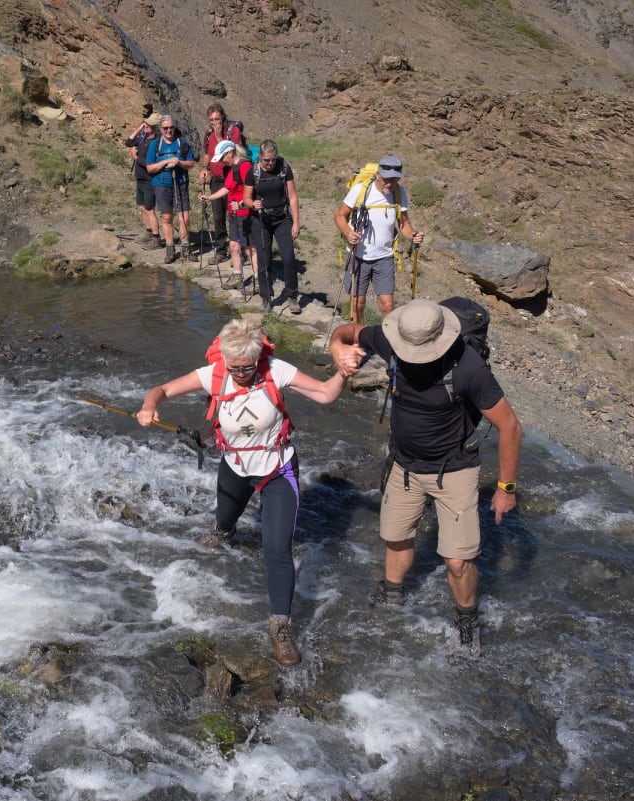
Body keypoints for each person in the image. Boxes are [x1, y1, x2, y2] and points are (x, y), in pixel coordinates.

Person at [137, 318, 349, 665]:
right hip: (234, 467)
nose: (239, 373)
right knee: (224, 523)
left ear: (257, 358)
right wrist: (149, 405)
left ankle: (280, 626)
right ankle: (223, 531)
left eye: (246, 367)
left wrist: (343, 372)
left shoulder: (275, 370)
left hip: (277, 471)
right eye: (233, 367)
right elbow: (161, 390)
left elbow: (325, 394)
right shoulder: (215, 374)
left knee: (277, 550)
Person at [328, 299, 522, 648]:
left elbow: (509, 427)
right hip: (405, 464)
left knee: (457, 561)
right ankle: (392, 596)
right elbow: (347, 331)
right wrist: (336, 349)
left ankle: (467, 619)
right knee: (396, 537)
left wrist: (505, 488)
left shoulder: (468, 367)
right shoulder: (389, 340)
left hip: (455, 471)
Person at [334, 155, 423, 325]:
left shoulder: (399, 192)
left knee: (387, 305)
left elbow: (403, 222)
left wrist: (413, 235)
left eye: (395, 179)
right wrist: (348, 232)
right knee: (357, 304)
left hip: (384, 256)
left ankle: (389, 343)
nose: (390, 184)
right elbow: (339, 215)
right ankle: (359, 338)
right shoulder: (360, 190)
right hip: (358, 255)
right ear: (378, 174)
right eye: (387, 179)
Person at [199, 141, 259, 309]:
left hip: (245, 213)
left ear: (230, 153)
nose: (221, 162)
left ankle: (258, 279)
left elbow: (252, 190)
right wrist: (210, 198)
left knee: (249, 247)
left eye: (222, 158)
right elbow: (227, 188)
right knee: (233, 245)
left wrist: (240, 203)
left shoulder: (245, 166)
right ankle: (238, 276)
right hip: (233, 214)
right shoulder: (232, 169)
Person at [249, 140, 302, 315]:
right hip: (261, 220)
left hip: (282, 218)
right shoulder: (253, 171)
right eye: (266, 160)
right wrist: (253, 203)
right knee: (264, 260)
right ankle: (266, 298)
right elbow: (246, 197)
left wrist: (296, 222)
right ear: (260, 158)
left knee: (288, 258)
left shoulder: (284, 168)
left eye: (272, 159)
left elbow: (293, 196)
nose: (270, 163)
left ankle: (292, 296)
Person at [146, 115, 197, 264]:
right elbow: (150, 167)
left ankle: (186, 249)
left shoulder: (183, 143)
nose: (169, 130)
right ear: (160, 129)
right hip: (161, 185)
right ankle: (170, 249)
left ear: (175, 127)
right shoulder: (155, 144)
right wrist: (166, 161)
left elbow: (191, 163)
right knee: (167, 217)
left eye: (171, 127)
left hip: (181, 183)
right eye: (165, 128)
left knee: (184, 217)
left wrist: (178, 162)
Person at [197, 104, 245, 265]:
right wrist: (205, 168)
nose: (214, 122)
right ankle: (221, 250)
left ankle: (239, 251)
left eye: (217, 119)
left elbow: (234, 152)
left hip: (231, 177)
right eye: (211, 120)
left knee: (235, 213)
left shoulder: (233, 131)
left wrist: (219, 138)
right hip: (216, 178)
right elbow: (207, 153)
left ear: (222, 117)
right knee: (218, 216)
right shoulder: (208, 133)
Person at [124, 112, 163, 249]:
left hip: (149, 179)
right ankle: (148, 232)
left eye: (149, 124)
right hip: (140, 177)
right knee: (142, 207)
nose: (146, 126)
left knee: (149, 209)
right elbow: (128, 142)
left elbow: (149, 163)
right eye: (145, 123)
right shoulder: (143, 136)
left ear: (156, 127)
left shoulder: (157, 142)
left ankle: (156, 238)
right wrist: (140, 128)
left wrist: (135, 158)